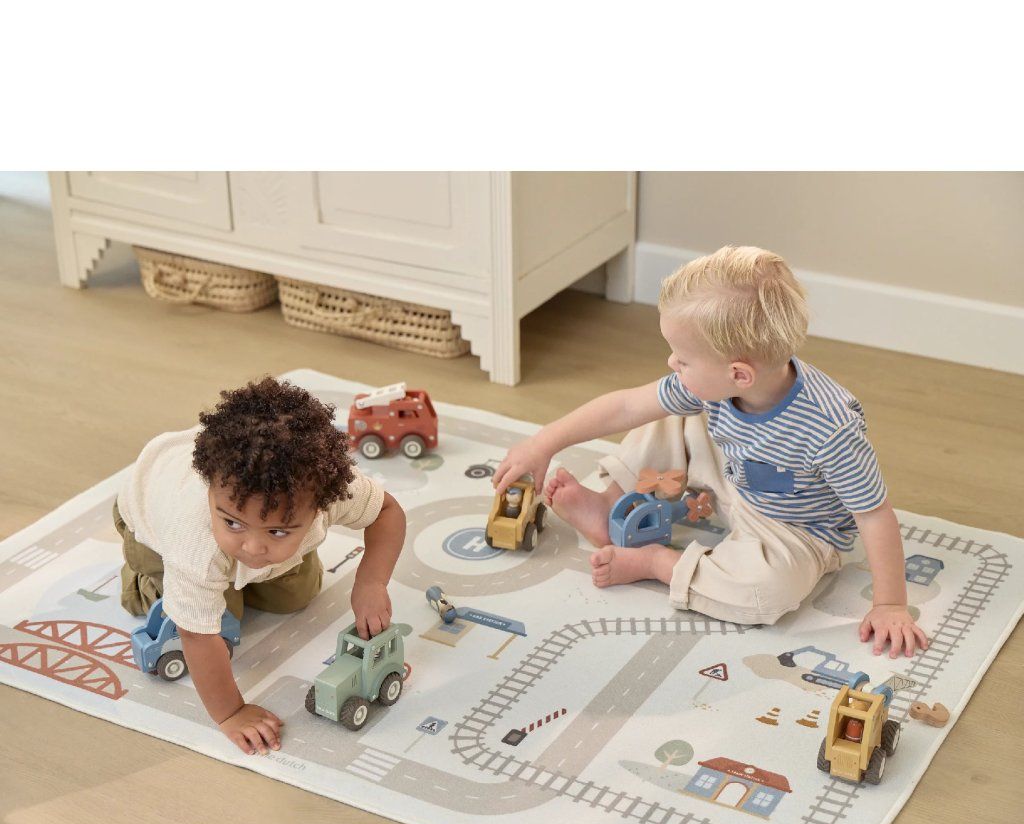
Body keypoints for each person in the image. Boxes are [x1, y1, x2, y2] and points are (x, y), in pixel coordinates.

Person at [492, 245, 928, 658]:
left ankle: (658, 563)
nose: (672, 364)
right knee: (667, 412)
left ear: (739, 374)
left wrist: (890, 604)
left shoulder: (831, 428)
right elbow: (625, 407)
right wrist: (543, 442)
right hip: (735, 476)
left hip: (797, 529)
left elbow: (874, 514)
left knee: (766, 591)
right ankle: (611, 505)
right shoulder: (715, 385)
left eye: (682, 358)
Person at [114, 377, 406, 755]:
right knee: (219, 619)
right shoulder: (194, 541)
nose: (252, 547)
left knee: (297, 595)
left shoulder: (330, 489)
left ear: (320, 508)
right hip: (149, 524)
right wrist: (231, 712)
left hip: (227, 532)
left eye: (278, 530)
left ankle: (260, 542)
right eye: (233, 523)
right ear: (210, 490)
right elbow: (196, 636)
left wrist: (371, 582)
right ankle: (144, 581)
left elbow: (387, 511)